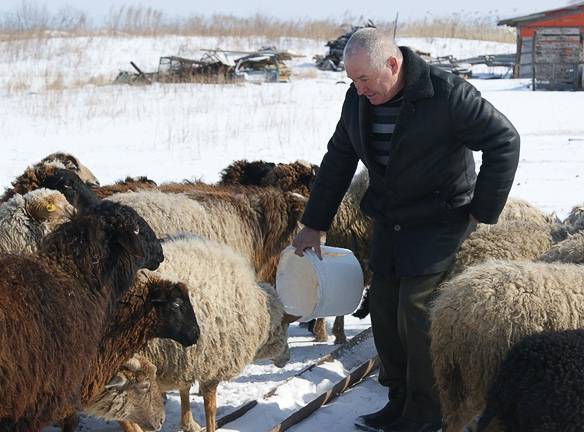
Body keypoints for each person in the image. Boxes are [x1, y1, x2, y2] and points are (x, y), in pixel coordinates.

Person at [292, 28, 519, 432]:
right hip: (391, 217)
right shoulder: (358, 102)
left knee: (415, 310)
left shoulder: (447, 94)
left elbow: (504, 140)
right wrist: (314, 224)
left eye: (364, 80)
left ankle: (427, 411)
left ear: (392, 65)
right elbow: (338, 159)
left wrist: (481, 210)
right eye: (352, 81)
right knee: (382, 305)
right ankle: (398, 398)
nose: (358, 90)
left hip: (439, 216)